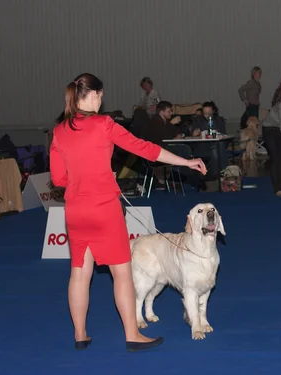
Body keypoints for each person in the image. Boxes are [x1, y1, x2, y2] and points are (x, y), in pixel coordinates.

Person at [50, 73, 207, 352]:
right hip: (104, 210)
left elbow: (59, 179)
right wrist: (186, 161)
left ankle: (79, 334)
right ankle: (132, 335)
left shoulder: (60, 130)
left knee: (79, 274)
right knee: (121, 273)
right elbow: (145, 150)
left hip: (75, 210)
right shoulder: (104, 123)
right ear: (96, 95)